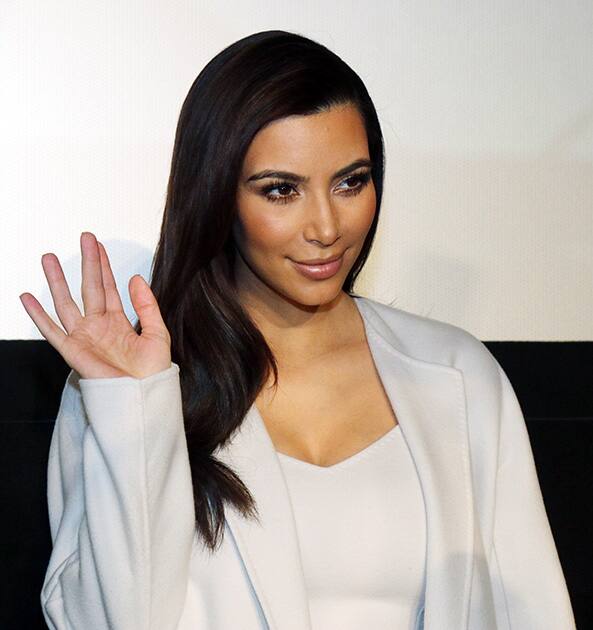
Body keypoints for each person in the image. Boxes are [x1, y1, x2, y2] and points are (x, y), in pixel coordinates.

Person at [20, 30, 575, 630]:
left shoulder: (458, 373)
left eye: (350, 182)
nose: (326, 226)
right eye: (281, 191)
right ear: (216, 195)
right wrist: (133, 407)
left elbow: (534, 607)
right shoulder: (129, 388)